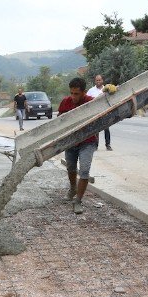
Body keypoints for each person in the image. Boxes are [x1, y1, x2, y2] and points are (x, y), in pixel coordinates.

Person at [58, 77, 98, 215]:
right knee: (70, 168)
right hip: (71, 142)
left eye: (76, 94)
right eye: (71, 93)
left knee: (85, 170)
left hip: (88, 141)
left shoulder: (91, 102)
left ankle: (78, 200)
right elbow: (59, 119)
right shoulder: (65, 102)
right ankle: (73, 188)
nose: (73, 96)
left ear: (84, 92)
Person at [84, 74, 113, 150]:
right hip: (95, 113)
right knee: (96, 129)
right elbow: (86, 101)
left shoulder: (106, 89)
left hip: (105, 111)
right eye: (97, 80)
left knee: (106, 128)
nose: (98, 81)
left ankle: (108, 145)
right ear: (95, 81)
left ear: (102, 80)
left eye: (100, 80)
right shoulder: (91, 91)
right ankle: (95, 145)